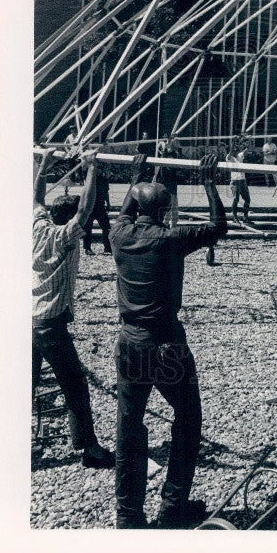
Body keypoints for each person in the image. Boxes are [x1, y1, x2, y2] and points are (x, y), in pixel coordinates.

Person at [110, 153, 229, 529]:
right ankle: (172, 505)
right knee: (188, 418)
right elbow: (217, 226)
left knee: (129, 426)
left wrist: (136, 176)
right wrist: (209, 182)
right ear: (165, 211)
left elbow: (129, 210)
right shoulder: (170, 239)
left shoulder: (119, 236)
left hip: (130, 341)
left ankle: (128, 515)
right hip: (166, 344)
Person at [32, 147, 115, 468]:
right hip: (49, 324)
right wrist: (92, 168)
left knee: (28, 383)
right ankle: (89, 448)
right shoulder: (66, 236)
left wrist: (44, 167)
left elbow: (35, 200)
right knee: (75, 384)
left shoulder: (38, 226)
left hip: (29, 317)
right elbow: (85, 210)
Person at [82, 150, 112, 255]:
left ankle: (108, 248)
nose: (99, 170)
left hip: (100, 205)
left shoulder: (104, 179)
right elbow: (83, 166)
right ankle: (87, 248)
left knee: (106, 227)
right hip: (90, 206)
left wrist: (108, 203)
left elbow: (106, 192)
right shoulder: (89, 178)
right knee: (87, 227)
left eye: (100, 168)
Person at [154, 135, 181, 228]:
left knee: (170, 210)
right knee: (171, 209)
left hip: (169, 186)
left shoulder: (169, 157)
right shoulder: (169, 157)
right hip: (169, 187)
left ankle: (167, 226)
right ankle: (168, 226)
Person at [226, 138, 250, 223]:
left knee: (247, 199)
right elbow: (229, 156)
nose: (236, 152)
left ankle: (245, 217)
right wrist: (232, 147)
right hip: (235, 181)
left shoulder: (240, 155)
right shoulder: (229, 158)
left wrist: (248, 142)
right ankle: (234, 216)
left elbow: (247, 150)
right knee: (236, 199)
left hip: (242, 180)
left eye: (237, 150)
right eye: (234, 150)